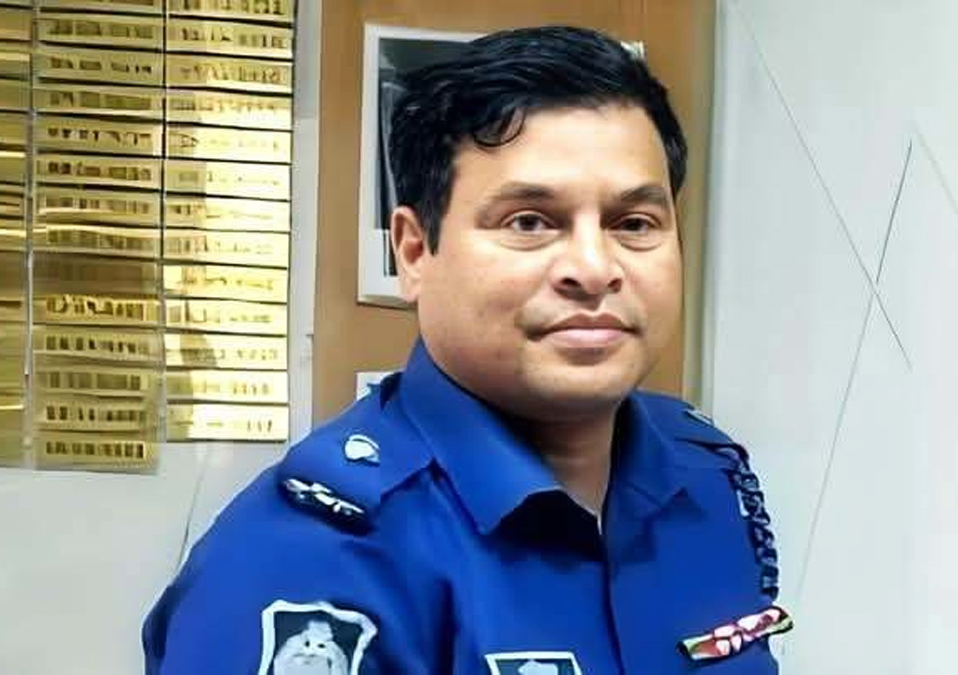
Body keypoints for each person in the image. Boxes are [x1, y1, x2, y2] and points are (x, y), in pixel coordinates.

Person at [143, 25, 789, 674]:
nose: (595, 269)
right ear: (414, 251)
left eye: (633, 224)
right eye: (529, 222)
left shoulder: (706, 479)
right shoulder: (309, 561)